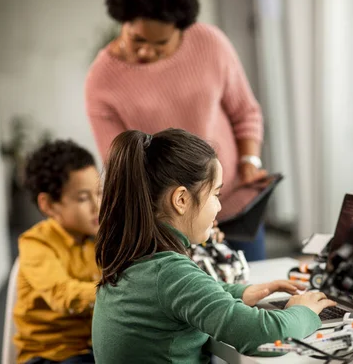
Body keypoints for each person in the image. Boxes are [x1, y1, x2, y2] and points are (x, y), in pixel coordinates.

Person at [92, 128, 336, 363]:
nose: (219, 207)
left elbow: (179, 296)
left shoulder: (132, 258)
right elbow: (263, 336)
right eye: (216, 195)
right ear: (181, 199)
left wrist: (240, 293)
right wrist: (302, 311)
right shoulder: (170, 273)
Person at [85, 0, 267, 260]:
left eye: (161, 44)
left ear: (181, 27)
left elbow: (245, 112)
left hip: (234, 206)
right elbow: (122, 165)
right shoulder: (101, 81)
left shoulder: (211, 44)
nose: (146, 52)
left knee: (257, 291)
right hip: (172, 228)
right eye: (138, 39)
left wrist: (249, 160)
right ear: (123, 20)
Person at [14, 141, 101, 364]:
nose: (97, 206)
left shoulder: (102, 237)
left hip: (94, 348)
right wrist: (119, 292)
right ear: (49, 205)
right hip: (50, 355)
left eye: (99, 192)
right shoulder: (36, 244)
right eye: (83, 198)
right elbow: (62, 294)